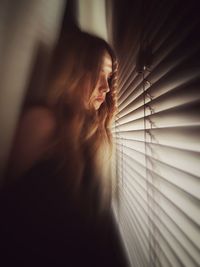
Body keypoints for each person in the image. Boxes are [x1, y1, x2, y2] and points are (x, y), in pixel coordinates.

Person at [0, 30, 122, 266]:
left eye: (109, 77)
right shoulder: (42, 122)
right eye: (98, 73)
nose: (106, 87)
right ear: (74, 71)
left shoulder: (96, 135)